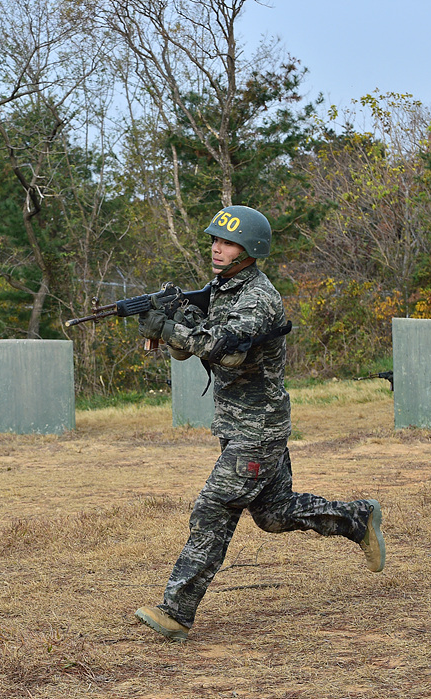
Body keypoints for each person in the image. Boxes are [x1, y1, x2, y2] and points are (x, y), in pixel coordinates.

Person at [134, 204, 386, 642]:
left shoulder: (259, 299)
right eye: (214, 240)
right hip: (237, 423)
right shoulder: (222, 288)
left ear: (250, 249)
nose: (217, 248)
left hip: (258, 429)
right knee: (273, 514)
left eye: (227, 242)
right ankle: (358, 519)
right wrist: (168, 323)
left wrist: (173, 330)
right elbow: (188, 349)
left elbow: (229, 351)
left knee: (213, 507)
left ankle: (175, 611)